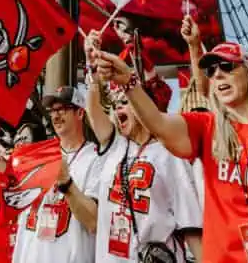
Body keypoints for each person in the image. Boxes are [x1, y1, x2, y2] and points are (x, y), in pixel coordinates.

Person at [94, 41, 248, 263]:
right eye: (211, 70)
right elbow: (158, 124)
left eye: (227, 66)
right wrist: (128, 82)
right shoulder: (207, 127)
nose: (217, 75)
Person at [83, 33, 203, 263]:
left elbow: (191, 227)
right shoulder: (115, 146)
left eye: (125, 102)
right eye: (116, 104)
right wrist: (91, 65)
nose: (118, 110)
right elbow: (93, 110)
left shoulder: (171, 154)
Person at [12, 85, 101, 263]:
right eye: (52, 110)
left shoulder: (96, 159)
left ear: (80, 113)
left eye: (62, 109)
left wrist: (66, 184)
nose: (55, 116)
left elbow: (94, 222)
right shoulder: (39, 155)